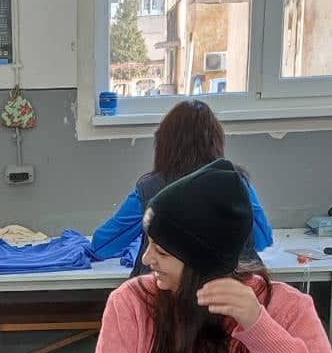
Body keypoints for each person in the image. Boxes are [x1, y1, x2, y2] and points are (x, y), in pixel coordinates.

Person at [85, 159, 332, 353]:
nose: (146, 259)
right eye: (149, 244)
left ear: (202, 264)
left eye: (162, 252)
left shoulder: (285, 308)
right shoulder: (131, 303)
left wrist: (262, 329)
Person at [90, 99, 273, 262]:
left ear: (163, 143)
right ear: (215, 141)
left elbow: (102, 246)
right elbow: (263, 239)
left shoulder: (150, 189)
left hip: (164, 286)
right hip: (223, 286)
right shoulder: (236, 182)